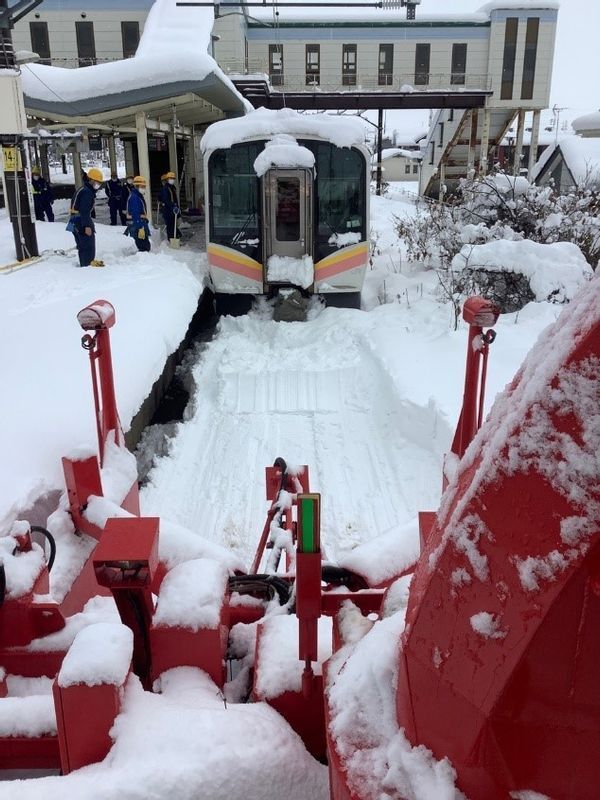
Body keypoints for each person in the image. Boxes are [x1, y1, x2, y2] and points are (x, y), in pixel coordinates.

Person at [68, 167, 105, 267]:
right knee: (88, 245)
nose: (99, 185)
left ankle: (84, 264)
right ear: (92, 180)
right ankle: (87, 266)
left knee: (81, 246)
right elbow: (84, 211)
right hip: (80, 221)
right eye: (97, 182)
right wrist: (87, 226)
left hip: (73, 221)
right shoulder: (87, 193)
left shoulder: (82, 189)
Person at [126, 175, 151, 252]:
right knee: (144, 247)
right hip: (137, 224)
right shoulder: (134, 198)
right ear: (136, 186)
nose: (143, 188)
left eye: (144, 186)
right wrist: (140, 228)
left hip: (140, 223)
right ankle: (142, 262)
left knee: (145, 245)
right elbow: (135, 213)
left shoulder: (138, 196)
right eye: (142, 186)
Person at [158, 171, 181, 241]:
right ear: (167, 179)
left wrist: (177, 208)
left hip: (173, 211)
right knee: (170, 227)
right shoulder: (165, 188)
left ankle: (175, 237)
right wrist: (173, 206)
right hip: (168, 211)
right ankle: (171, 240)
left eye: (173, 178)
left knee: (173, 226)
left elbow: (174, 199)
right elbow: (166, 200)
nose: (172, 180)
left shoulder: (172, 188)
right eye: (170, 178)